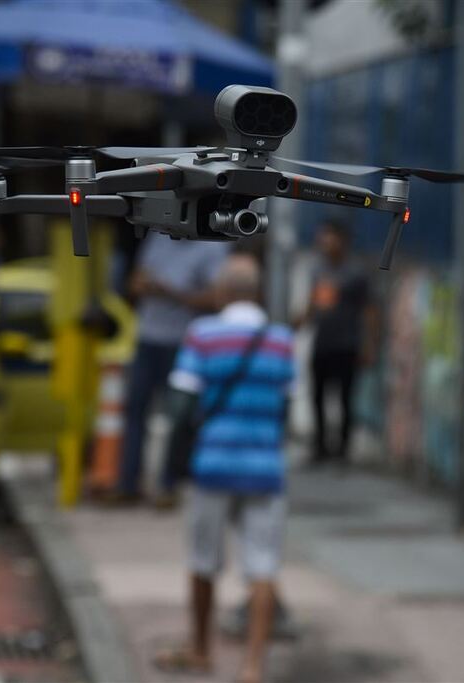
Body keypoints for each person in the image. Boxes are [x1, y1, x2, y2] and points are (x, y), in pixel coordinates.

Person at [153, 255, 293, 683]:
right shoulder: (282, 340)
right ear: (256, 292)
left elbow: (181, 405)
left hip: (212, 464)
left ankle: (200, 650)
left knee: (203, 561)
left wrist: (168, 471)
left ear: (224, 292)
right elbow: (286, 406)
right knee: (263, 568)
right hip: (265, 467)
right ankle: (252, 668)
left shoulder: (202, 335)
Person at [108, 233, 229, 506]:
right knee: (135, 411)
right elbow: (134, 282)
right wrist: (140, 286)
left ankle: (169, 485)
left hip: (184, 343)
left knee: (179, 417)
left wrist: (172, 293)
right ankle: (128, 483)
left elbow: (219, 297)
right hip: (147, 337)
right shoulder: (158, 237)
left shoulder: (213, 244)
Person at [300, 220, 377, 466]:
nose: (324, 242)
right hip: (323, 342)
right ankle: (320, 448)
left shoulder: (356, 272)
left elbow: (370, 310)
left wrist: (369, 344)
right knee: (317, 397)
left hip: (347, 344)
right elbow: (314, 303)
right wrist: (299, 321)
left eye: (330, 236)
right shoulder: (318, 269)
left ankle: (342, 451)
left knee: (344, 399)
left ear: (343, 240)